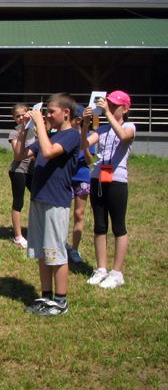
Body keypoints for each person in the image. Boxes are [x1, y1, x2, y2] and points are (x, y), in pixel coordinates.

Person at [14, 93, 80, 317]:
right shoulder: (47, 135)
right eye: (47, 112)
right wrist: (24, 130)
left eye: (52, 112)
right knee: (42, 252)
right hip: (39, 199)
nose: (48, 115)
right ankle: (46, 295)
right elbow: (20, 155)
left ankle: (61, 301)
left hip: (55, 201)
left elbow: (50, 152)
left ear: (66, 113)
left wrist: (40, 124)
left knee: (56, 252)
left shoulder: (71, 135)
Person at [82, 90, 135, 289]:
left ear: (125, 108)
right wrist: (85, 125)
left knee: (118, 226)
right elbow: (84, 145)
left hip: (117, 181)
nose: (109, 108)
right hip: (98, 177)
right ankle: (101, 268)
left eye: (114, 106)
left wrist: (108, 114)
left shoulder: (129, 126)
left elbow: (123, 136)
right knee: (99, 224)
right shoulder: (102, 129)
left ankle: (117, 272)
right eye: (108, 105)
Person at [66, 105, 94, 263]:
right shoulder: (65, 137)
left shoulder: (88, 136)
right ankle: (62, 244)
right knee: (63, 212)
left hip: (82, 177)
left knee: (79, 214)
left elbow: (90, 161)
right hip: (66, 178)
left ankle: (75, 249)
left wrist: (86, 147)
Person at [7, 103, 35, 249]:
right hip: (18, 170)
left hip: (33, 170)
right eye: (17, 116)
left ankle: (35, 229)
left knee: (37, 198)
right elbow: (17, 153)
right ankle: (18, 236)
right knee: (19, 201)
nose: (20, 118)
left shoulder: (35, 130)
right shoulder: (14, 132)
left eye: (22, 115)